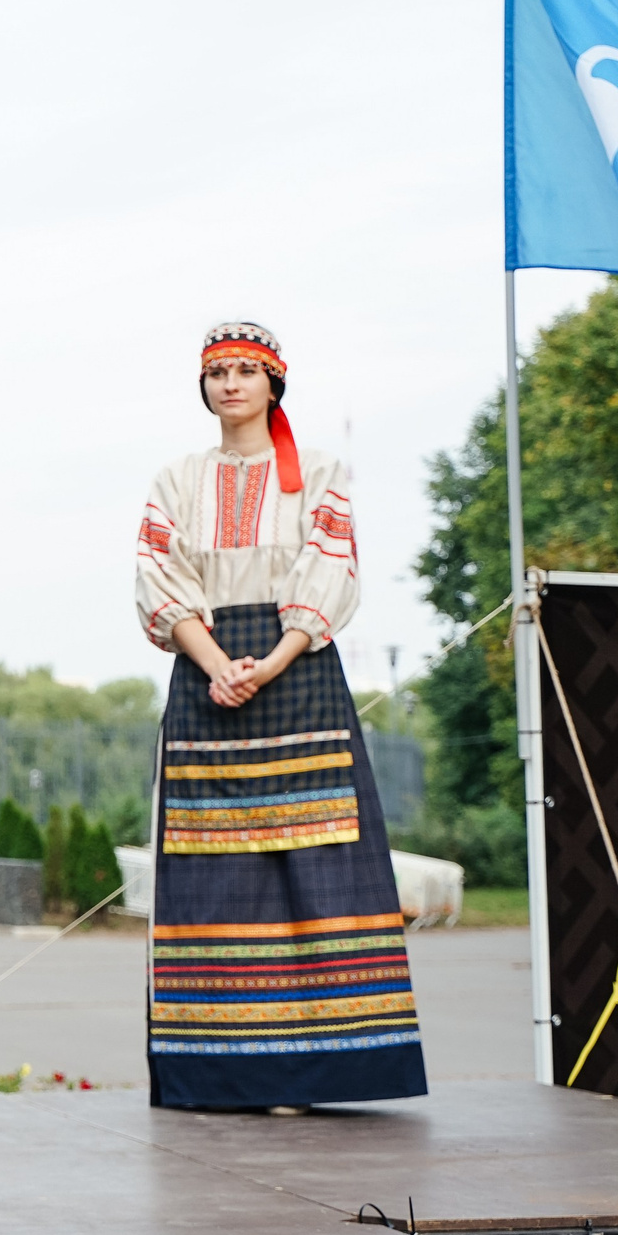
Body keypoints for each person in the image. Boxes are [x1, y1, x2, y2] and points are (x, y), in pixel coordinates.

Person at [133, 321, 426, 1110]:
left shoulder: (320, 473)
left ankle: (318, 1065)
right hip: (207, 671)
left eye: (245, 371)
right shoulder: (176, 479)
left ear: (274, 382)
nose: (230, 383)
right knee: (215, 867)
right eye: (217, 371)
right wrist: (213, 660)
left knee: (314, 855)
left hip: (295, 668)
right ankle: (225, 1070)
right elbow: (159, 576)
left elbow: (330, 566)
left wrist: (272, 658)